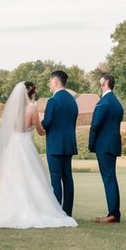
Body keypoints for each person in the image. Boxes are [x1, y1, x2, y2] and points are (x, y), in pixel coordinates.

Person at [0, 82, 76, 228]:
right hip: (25, 146)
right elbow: (40, 130)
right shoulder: (32, 108)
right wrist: (50, 130)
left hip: (12, 146)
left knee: (8, 177)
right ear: (31, 93)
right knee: (31, 177)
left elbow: (9, 128)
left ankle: (3, 209)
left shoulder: (13, 110)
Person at [42, 70, 79, 217]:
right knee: (68, 178)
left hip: (55, 144)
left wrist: (36, 124)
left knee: (55, 177)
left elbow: (47, 122)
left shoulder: (53, 101)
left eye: (50, 81)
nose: (49, 84)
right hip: (69, 144)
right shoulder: (72, 100)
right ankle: (67, 212)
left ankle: (56, 211)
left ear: (56, 82)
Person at [88, 72, 124, 223]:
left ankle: (113, 214)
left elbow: (95, 125)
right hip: (113, 143)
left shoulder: (103, 102)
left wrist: (91, 144)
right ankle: (114, 212)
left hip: (104, 145)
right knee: (111, 178)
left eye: (100, 82)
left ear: (105, 83)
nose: (99, 85)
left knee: (108, 178)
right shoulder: (116, 102)